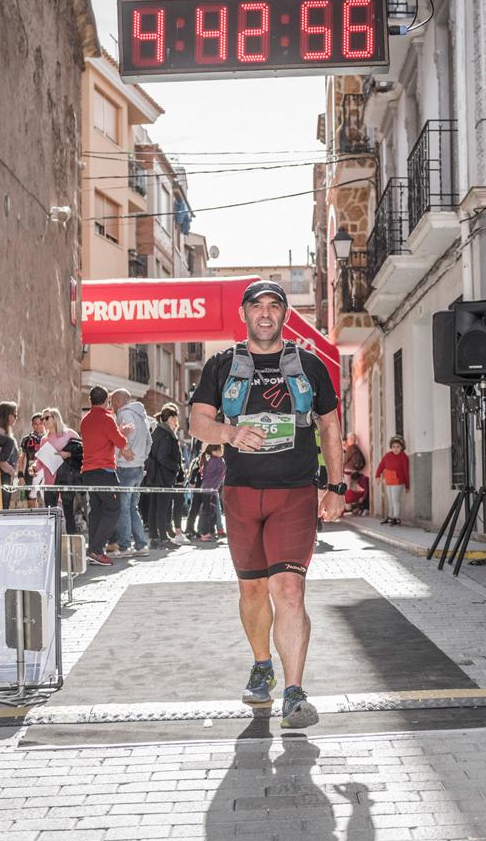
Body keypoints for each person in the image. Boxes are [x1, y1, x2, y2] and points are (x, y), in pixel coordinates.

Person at [189, 279, 344, 730]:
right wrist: (228, 433)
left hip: (294, 494)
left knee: (289, 589)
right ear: (244, 314)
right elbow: (199, 421)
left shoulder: (310, 366)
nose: (265, 313)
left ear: (284, 315)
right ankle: (262, 665)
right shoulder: (221, 365)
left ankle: (295, 694)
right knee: (252, 590)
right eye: (256, 305)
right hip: (240, 495)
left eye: (274, 306)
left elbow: (330, 426)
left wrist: (335, 486)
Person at [79, 386, 131, 567]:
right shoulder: (107, 419)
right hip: (105, 471)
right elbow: (120, 442)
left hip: (87, 471)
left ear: (90, 401)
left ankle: (94, 550)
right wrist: (122, 432)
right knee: (113, 509)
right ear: (107, 401)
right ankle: (95, 549)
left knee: (97, 510)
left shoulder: (85, 420)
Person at [110, 389, 151, 556]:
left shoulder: (124, 414)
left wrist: (123, 451)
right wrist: (141, 457)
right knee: (132, 507)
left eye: (113, 402)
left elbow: (126, 436)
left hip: (126, 466)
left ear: (118, 401)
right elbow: (149, 440)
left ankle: (125, 546)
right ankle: (141, 545)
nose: (112, 406)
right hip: (139, 466)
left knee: (124, 508)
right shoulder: (141, 416)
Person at [144, 404, 184, 549]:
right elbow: (162, 457)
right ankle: (163, 538)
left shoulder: (157, 431)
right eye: (175, 418)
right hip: (163, 477)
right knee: (162, 508)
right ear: (171, 418)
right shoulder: (166, 434)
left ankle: (154, 538)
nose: (176, 421)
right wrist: (176, 467)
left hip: (155, 476)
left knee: (154, 507)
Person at [37, 408, 81, 534]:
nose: (44, 421)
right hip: (50, 480)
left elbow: (81, 450)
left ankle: (72, 543)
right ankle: (53, 541)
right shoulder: (44, 439)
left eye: (47, 418)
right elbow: (40, 460)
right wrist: (33, 468)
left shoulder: (69, 434)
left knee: (68, 512)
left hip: (67, 478)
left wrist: (68, 453)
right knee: (51, 513)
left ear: (55, 417)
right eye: (42, 419)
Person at [374, 436, 410, 526]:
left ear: (402, 447)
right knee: (390, 500)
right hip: (389, 481)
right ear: (391, 447)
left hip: (398, 482)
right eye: (393, 446)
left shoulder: (403, 457)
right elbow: (381, 465)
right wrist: (377, 475)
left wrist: (407, 485)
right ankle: (390, 517)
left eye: (398, 447)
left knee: (395, 500)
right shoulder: (388, 456)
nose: (395, 449)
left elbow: (406, 471)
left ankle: (396, 518)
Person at [195, 445, 226, 542]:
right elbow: (211, 474)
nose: (222, 451)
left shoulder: (214, 460)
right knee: (207, 512)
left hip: (211, 490)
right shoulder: (214, 461)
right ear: (214, 451)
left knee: (210, 511)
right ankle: (204, 533)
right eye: (220, 450)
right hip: (209, 490)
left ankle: (208, 531)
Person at [19, 413, 46, 508]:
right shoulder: (26, 439)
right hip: (31, 472)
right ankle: (34, 519)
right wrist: (20, 476)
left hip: (46, 472)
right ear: (32, 425)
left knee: (47, 499)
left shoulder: (50, 437)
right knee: (31, 498)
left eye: (40, 423)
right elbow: (21, 458)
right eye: (35, 424)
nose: (38, 426)